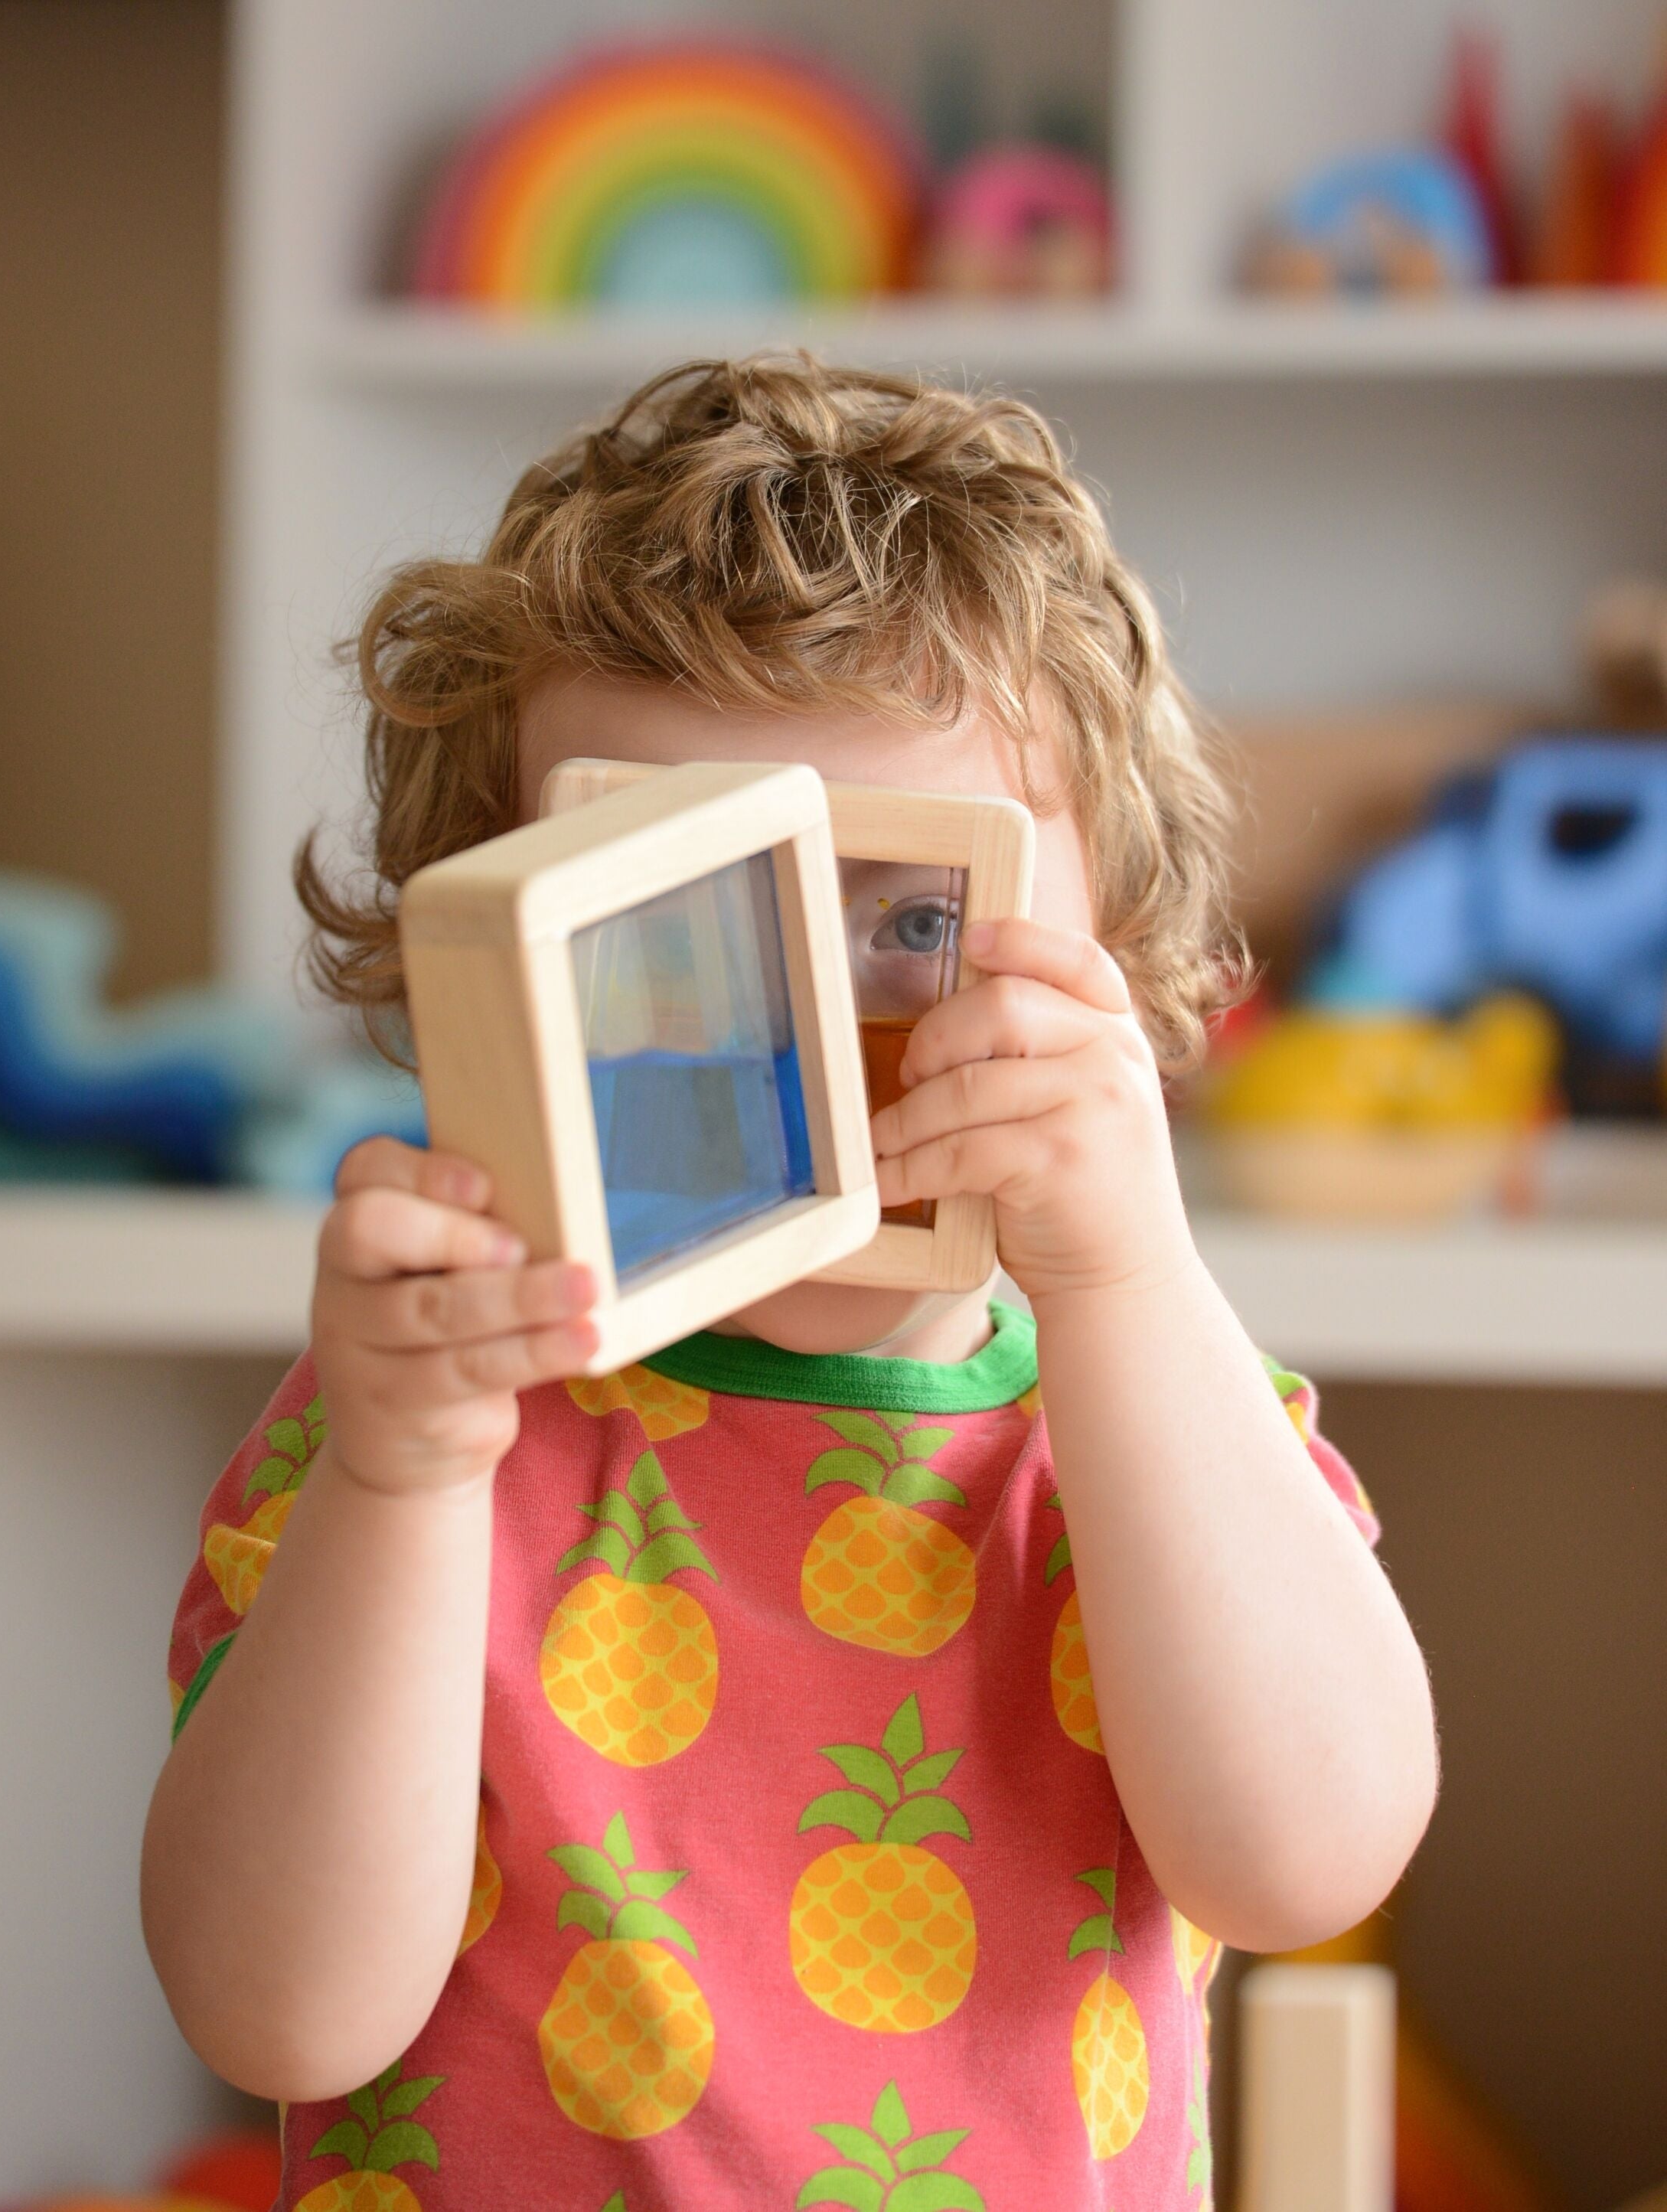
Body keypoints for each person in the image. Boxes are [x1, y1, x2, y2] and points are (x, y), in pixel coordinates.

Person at [142, 356, 1437, 2207]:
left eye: (918, 920)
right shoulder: (420, 1430)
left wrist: (1133, 1272)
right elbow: (279, 2014)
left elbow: (1307, 1860)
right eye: (675, 942)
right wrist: (398, 1479)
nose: (811, 1046)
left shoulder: (1150, 1417)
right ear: (479, 969)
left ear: (1120, 965)